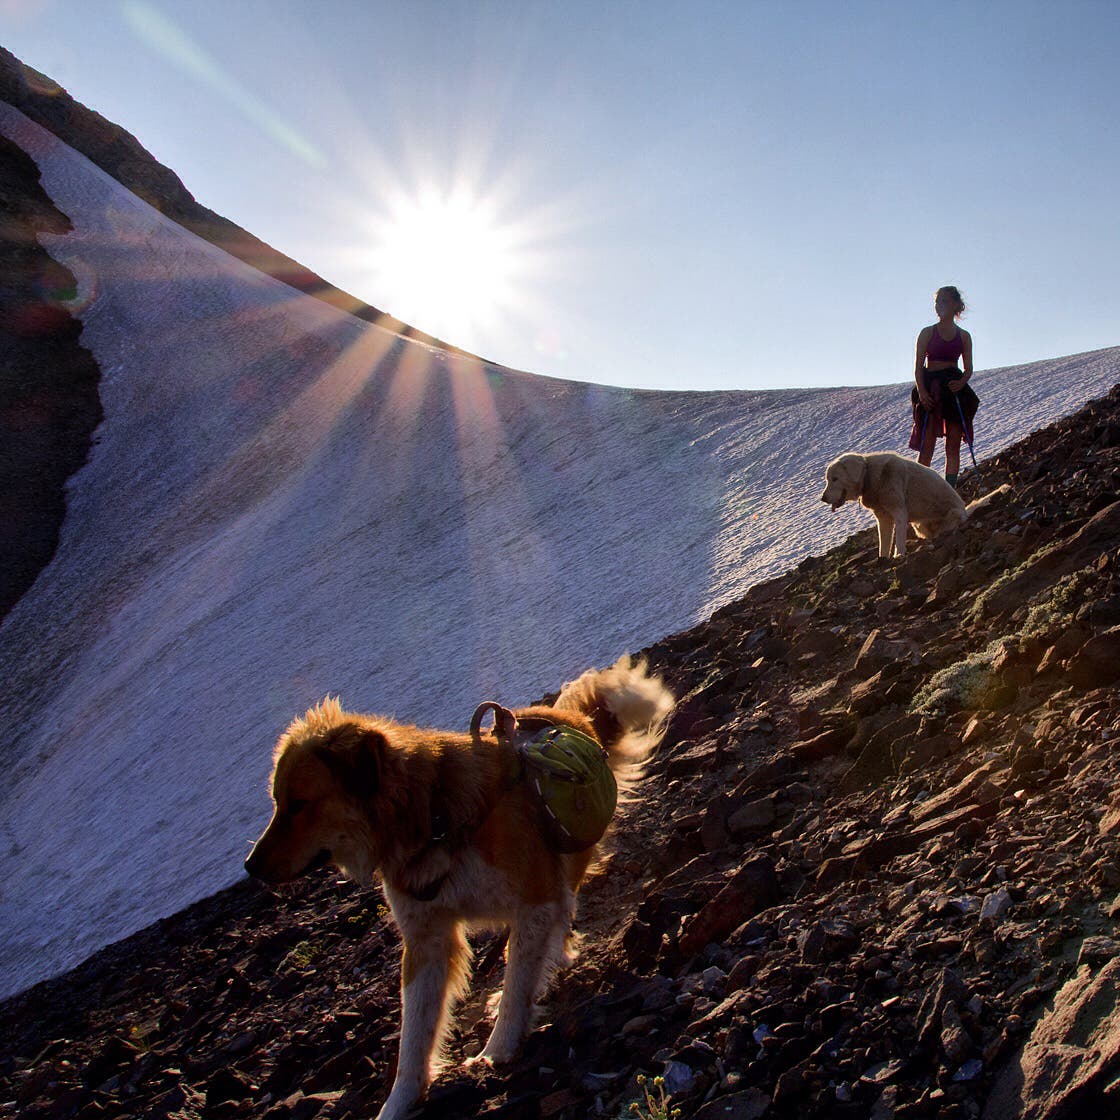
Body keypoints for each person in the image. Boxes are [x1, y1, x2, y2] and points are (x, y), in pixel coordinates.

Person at [909, 285, 978, 489]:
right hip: (932, 387)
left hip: (953, 388)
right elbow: (918, 367)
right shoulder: (927, 333)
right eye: (937, 302)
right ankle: (918, 490)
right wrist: (922, 392)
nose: (939, 306)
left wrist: (962, 382)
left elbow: (968, 368)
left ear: (956, 305)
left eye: (944, 301)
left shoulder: (964, 336)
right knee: (927, 443)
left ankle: (950, 490)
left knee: (953, 445)